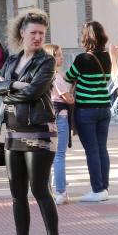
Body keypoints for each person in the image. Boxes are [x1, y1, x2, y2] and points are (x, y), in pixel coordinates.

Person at [0, 9, 62, 235]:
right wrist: (14, 86)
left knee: (40, 190)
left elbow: (34, 92)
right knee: (17, 194)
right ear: (22, 32)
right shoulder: (11, 60)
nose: (38, 37)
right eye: (33, 32)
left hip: (38, 131)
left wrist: (8, 89)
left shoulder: (46, 61)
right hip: (12, 132)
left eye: (42, 33)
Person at [64, 21, 113, 202]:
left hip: (86, 110)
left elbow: (69, 77)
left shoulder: (82, 58)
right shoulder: (106, 57)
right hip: (104, 109)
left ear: (86, 37)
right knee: (102, 149)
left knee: (91, 150)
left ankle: (97, 189)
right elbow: (107, 78)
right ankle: (104, 188)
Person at [44, 44, 72, 205]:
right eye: (59, 55)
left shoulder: (44, 75)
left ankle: (49, 187)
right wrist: (73, 98)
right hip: (59, 117)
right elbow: (67, 98)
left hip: (47, 116)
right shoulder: (56, 76)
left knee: (49, 155)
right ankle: (61, 192)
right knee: (59, 155)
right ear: (52, 57)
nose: (61, 57)